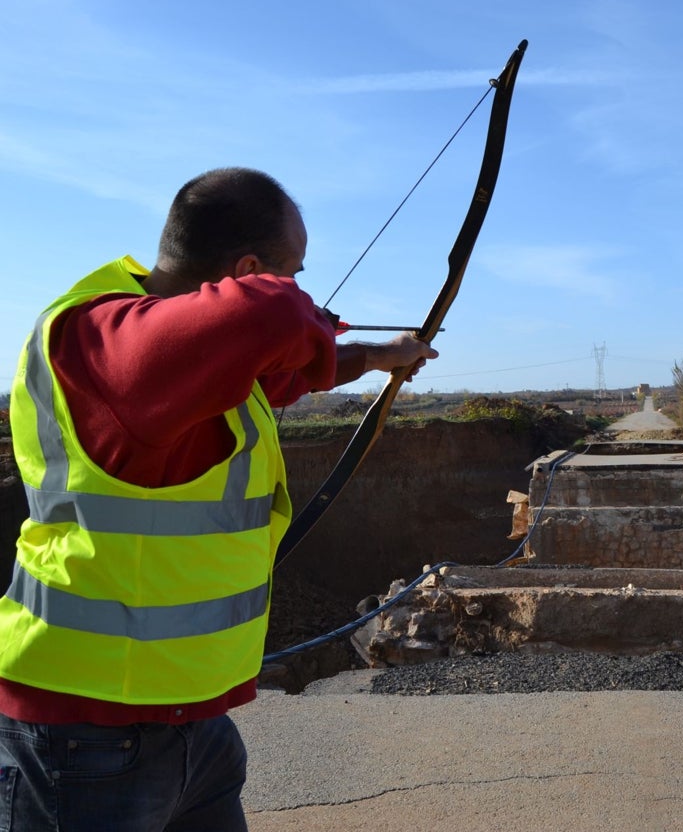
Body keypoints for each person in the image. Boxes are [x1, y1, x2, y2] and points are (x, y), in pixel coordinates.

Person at [0, 167, 436, 830]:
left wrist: (375, 355)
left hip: (188, 723)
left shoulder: (179, 363)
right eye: (293, 271)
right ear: (250, 269)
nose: (299, 288)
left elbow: (274, 374)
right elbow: (267, 317)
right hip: (83, 729)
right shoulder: (105, 339)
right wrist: (295, 310)